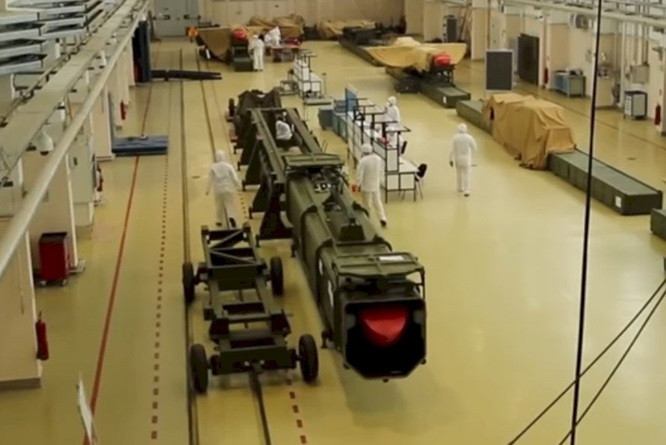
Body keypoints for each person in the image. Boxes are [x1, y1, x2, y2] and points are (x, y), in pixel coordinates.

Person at [206, 150, 242, 227]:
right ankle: (231, 217)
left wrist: (207, 190)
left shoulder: (213, 167)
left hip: (218, 189)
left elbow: (210, 179)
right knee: (229, 204)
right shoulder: (229, 166)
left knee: (219, 205)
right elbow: (234, 178)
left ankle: (219, 220)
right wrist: (238, 186)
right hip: (228, 188)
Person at [357, 143, 387, 228]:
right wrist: (381, 181)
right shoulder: (378, 159)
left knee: (367, 204)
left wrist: (358, 185)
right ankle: (382, 218)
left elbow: (360, 175)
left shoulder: (363, 161)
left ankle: (367, 220)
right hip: (376, 185)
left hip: (366, 186)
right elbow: (381, 171)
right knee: (377, 202)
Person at [449, 123, 477, 197]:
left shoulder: (455, 138)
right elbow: (474, 147)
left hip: (458, 158)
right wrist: (474, 157)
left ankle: (459, 188)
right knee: (466, 174)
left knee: (459, 173)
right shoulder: (469, 137)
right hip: (466, 158)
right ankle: (466, 190)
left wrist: (450, 159)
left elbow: (452, 149)